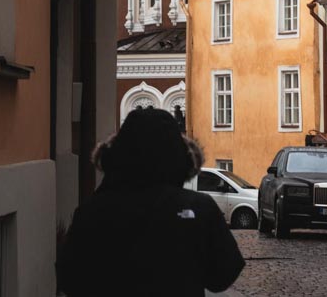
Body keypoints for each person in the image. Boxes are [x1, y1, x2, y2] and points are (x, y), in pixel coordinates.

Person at [57, 108, 245, 296]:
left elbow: (70, 279)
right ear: (182, 157)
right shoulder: (199, 208)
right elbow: (223, 275)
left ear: (117, 154)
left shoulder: (92, 211)